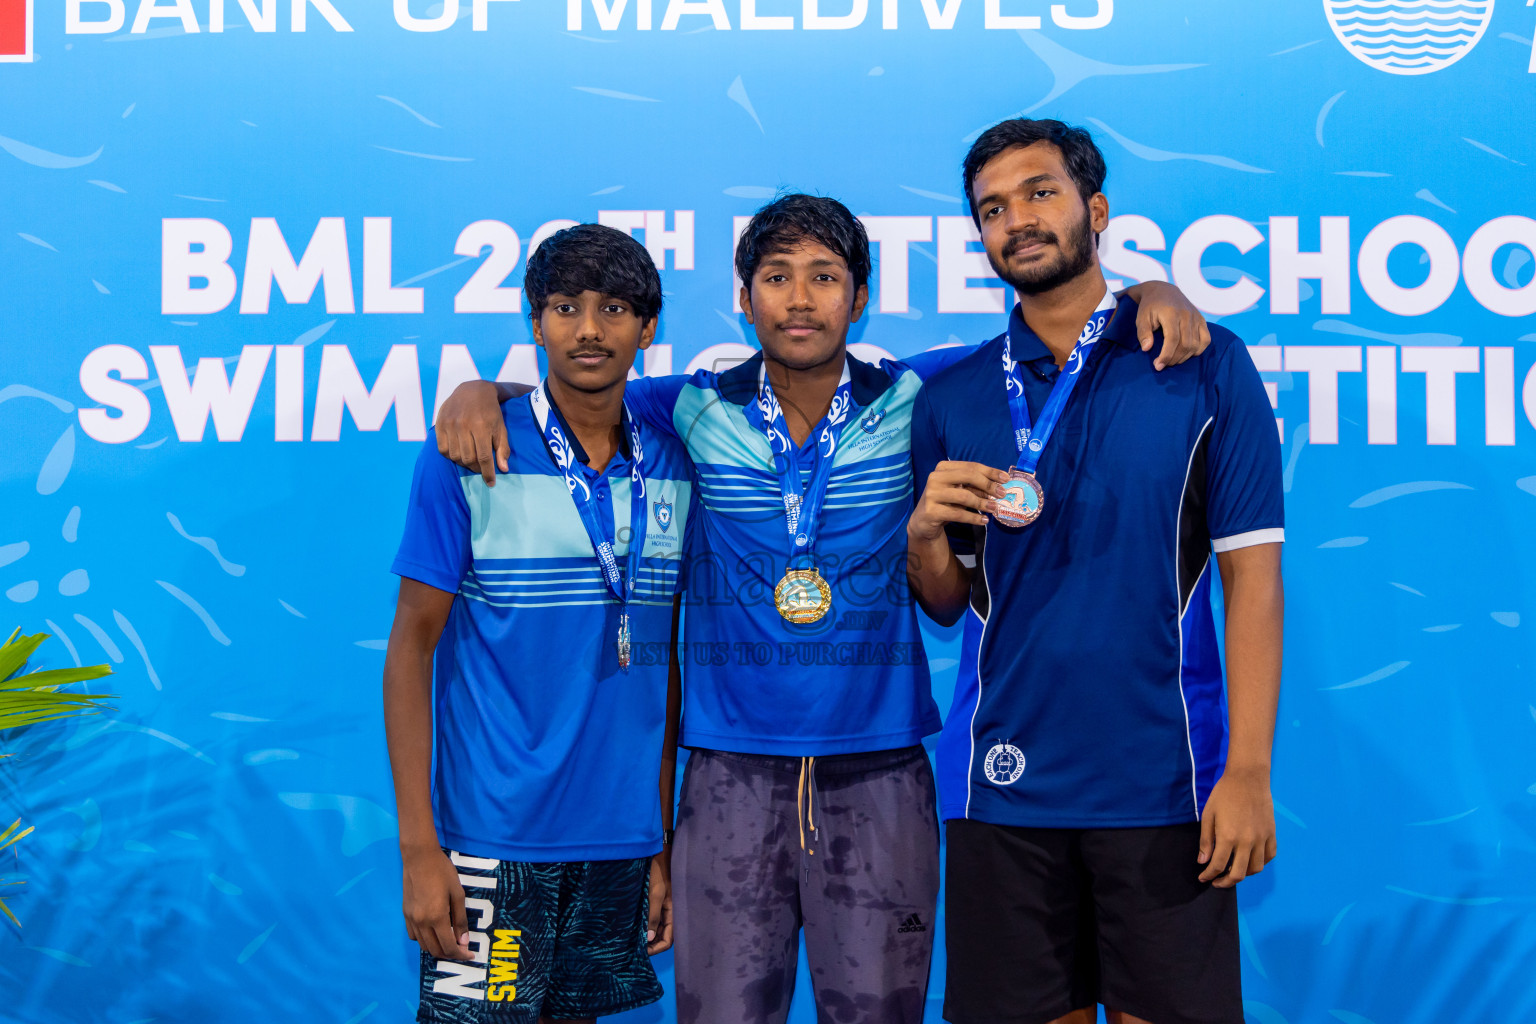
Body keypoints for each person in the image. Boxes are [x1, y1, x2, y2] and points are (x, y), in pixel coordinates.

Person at [434, 193, 1210, 1024]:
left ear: (860, 298)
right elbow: (586, 378)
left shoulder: (918, 397)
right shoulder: (692, 407)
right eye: (776, 278)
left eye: (824, 277)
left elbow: (1053, 327)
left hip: (880, 774)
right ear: (743, 299)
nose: (800, 299)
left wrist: (1141, 294)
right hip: (729, 775)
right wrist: (480, 390)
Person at [907, 118, 1284, 1024]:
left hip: (1167, 785)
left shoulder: (1201, 365)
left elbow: (1255, 586)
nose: (1018, 220)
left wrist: (1249, 771)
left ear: (1096, 208)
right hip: (1000, 785)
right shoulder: (951, 394)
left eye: (1040, 193)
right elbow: (951, 602)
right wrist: (923, 535)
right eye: (993, 208)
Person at [382, 223, 695, 1024]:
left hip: (620, 838)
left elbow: (661, 673)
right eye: (565, 307)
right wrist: (421, 848)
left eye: (614, 308)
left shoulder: (673, 459)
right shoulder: (470, 452)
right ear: (536, 322)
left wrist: (656, 841)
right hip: (493, 838)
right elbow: (411, 649)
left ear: (647, 328)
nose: (589, 329)